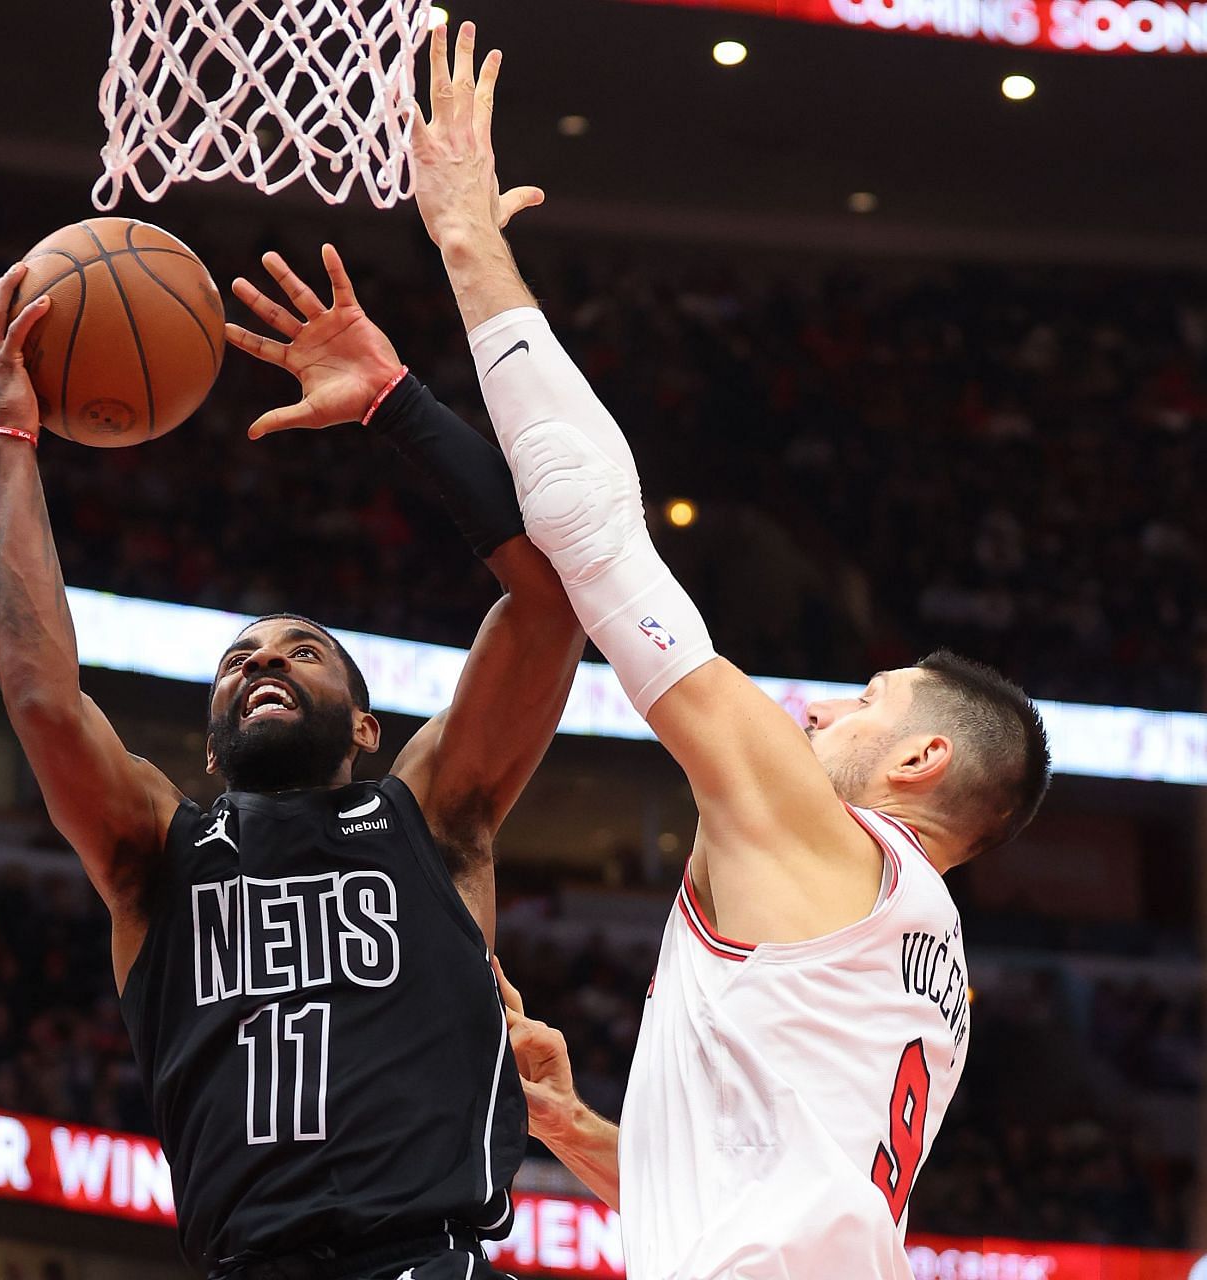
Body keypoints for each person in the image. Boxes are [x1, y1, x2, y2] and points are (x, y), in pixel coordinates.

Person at [408, 23, 1052, 1279]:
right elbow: (749, 1195)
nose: (818, 715)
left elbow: (598, 543)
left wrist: (470, 245)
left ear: (921, 756)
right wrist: (579, 1129)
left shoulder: (833, 838)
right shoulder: (931, 968)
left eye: (863, 701)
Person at [0, 249, 584, 1280]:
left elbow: (549, 600)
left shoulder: (432, 816)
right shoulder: (158, 856)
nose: (264, 661)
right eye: (238, 662)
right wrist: (12, 438)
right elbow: (39, 694)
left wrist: (395, 401)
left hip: (425, 1258)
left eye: (303, 650)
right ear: (210, 744)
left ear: (364, 727)